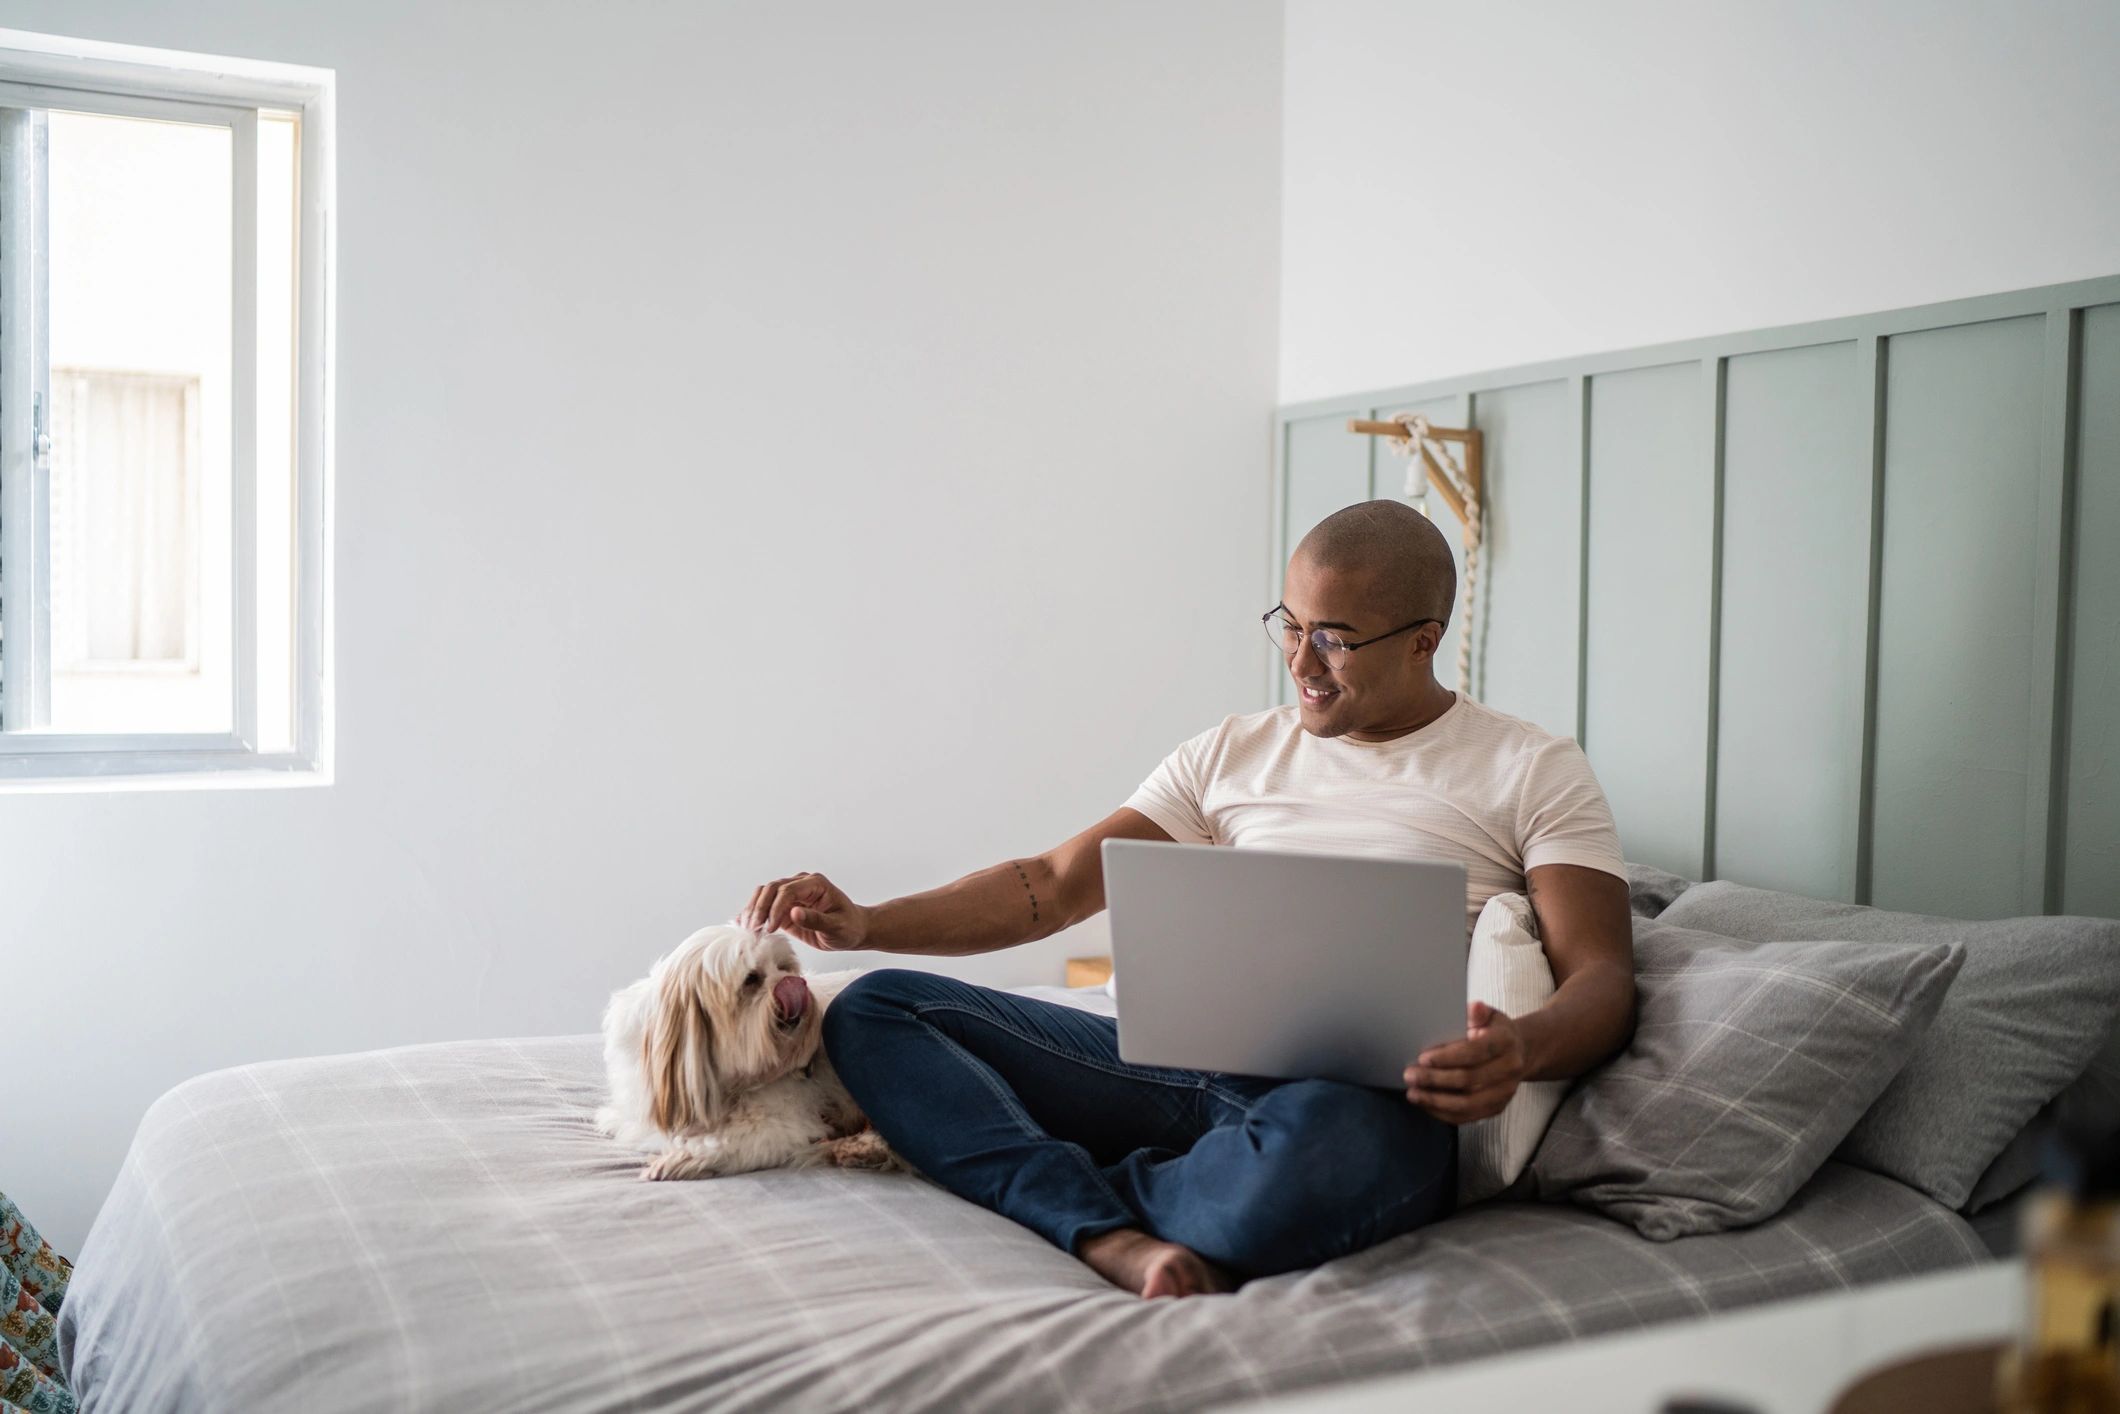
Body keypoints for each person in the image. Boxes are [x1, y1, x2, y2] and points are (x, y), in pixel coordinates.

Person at [740, 500, 1634, 1299]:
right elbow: (1051, 888)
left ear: (1423, 640)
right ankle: (1115, 1223)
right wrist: (867, 923)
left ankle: (1068, 1197)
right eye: (1291, 624)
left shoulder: (1530, 770)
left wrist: (1518, 1049)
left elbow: (1600, 977)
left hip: (1343, 1098)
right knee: (877, 1010)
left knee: (1325, 1166)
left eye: (1334, 637)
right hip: (1163, 1066)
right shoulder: (1231, 753)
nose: (1301, 660)